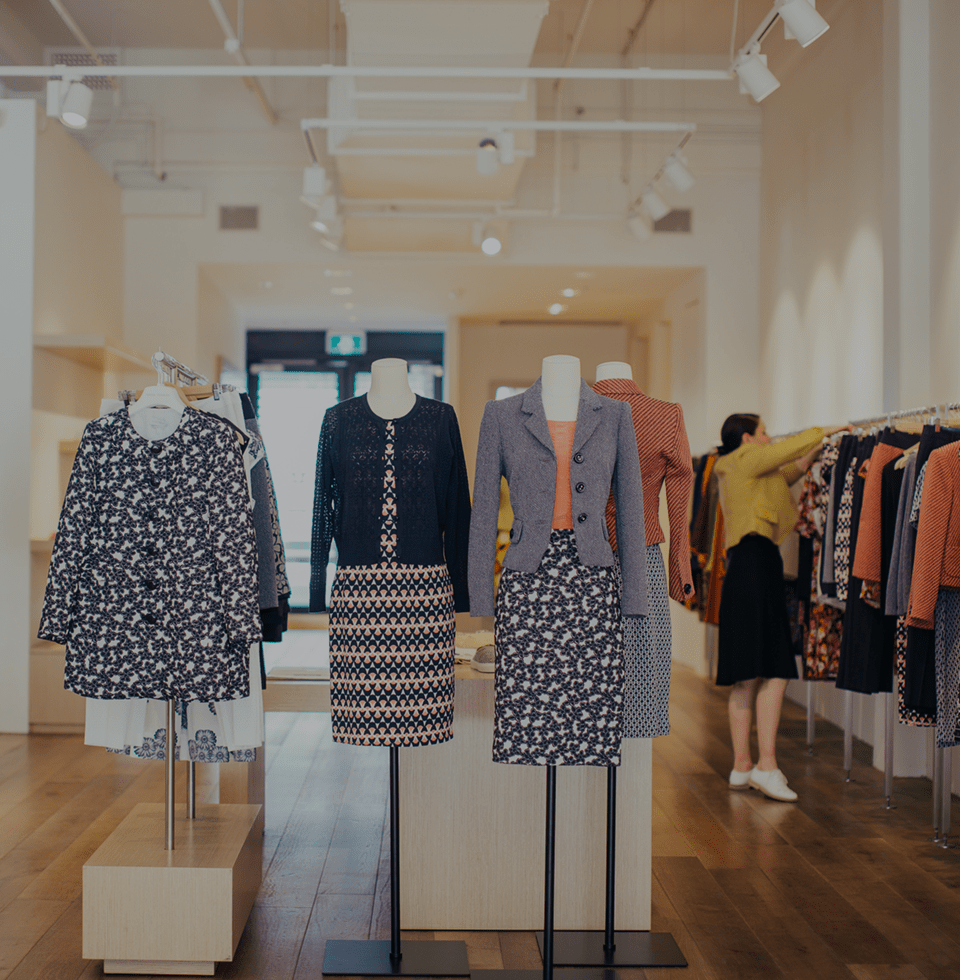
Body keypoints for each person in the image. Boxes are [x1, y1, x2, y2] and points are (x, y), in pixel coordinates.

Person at [712, 414, 849, 801]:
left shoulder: (742, 469)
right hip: (757, 564)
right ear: (747, 438)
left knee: (745, 674)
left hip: (744, 567)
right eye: (764, 432)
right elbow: (784, 452)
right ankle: (767, 766)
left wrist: (816, 450)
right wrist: (825, 429)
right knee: (775, 669)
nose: (769, 437)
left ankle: (742, 766)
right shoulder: (743, 459)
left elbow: (790, 468)